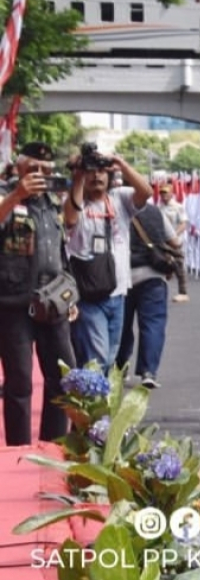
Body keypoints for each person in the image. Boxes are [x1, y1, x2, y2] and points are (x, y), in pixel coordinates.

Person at [0, 143, 76, 446]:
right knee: (19, 382)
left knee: (62, 377)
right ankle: (19, 448)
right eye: (34, 169)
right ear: (19, 168)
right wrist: (17, 195)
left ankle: (53, 444)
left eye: (46, 170)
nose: (41, 175)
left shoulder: (52, 202)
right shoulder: (7, 194)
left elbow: (63, 243)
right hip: (13, 304)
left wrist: (69, 295)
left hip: (53, 302)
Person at [64, 145, 152, 369]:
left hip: (118, 291)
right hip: (88, 294)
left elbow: (146, 192)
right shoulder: (76, 200)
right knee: (97, 358)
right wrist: (78, 176)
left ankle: (96, 401)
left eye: (102, 170)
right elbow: (71, 219)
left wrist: (122, 164)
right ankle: (93, 401)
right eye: (91, 171)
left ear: (111, 174)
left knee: (110, 356)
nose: (97, 175)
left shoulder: (119, 198)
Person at [114, 203, 181, 389]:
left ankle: (120, 367)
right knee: (153, 324)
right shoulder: (155, 211)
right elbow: (175, 242)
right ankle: (148, 371)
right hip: (153, 274)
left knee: (122, 325)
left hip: (123, 275)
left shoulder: (116, 209)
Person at [158, 184, 191, 302]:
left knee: (178, 266)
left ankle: (183, 292)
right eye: (162, 193)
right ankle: (161, 293)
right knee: (161, 265)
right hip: (162, 241)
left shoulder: (178, 207)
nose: (164, 195)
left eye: (166, 193)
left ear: (171, 193)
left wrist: (173, 235)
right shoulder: (158, 207)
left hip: (174, 241)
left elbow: (183, 224)